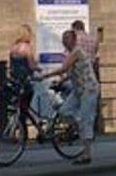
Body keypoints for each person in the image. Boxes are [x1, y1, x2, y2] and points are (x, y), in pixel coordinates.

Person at [40, 29, 99, 165]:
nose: (64, 41)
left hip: (88, 89)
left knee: (86, 120)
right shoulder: (71, 53)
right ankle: (80, 127)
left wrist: (44, 76)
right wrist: (61, 81)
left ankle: (86, 155)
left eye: (66, 38)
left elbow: (64, 69)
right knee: (63, 111)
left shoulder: (77, 52)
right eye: (63, 38)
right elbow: (72, 71)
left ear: (74, 39)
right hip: (78, 90)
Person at [9, 24, 52, 118]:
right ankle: (41, 118)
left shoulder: (13, 48)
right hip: (26, 81)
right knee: (26, 106)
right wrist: (39, 67)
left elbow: (11, 65)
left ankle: (22, 128)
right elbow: (31, 66)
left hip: (16, 81)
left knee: (20, 107)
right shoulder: (27, 48)